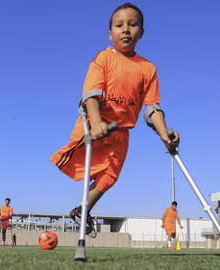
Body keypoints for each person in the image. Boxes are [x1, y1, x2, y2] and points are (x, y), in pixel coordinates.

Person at [50, 2, 180, 238]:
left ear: (142, 31)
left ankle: (82, 209)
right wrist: (97, 121)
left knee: (109, 178)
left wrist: (164, 133)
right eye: (119, 25)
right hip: (95, 123)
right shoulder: (103, 58)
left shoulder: (148, 68)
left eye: (133, 24)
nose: (126, 30)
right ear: (110, 33)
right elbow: (91, 94)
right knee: (84, 164)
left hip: (121, 132)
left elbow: (152, 107)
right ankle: (82, 211)